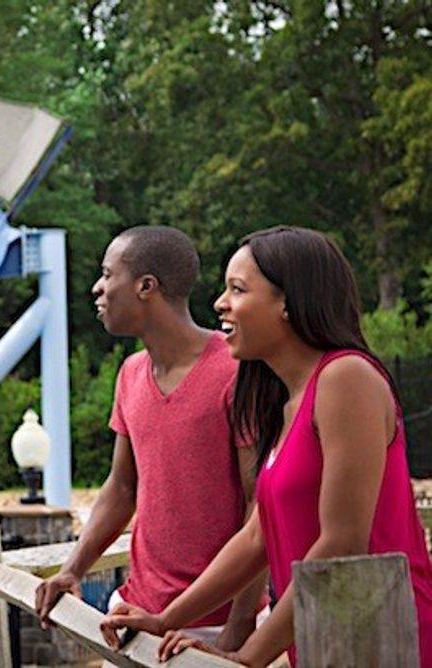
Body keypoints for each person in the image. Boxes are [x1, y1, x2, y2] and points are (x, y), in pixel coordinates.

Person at [100, 226, 432, 667]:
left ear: (288, 304)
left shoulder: (345, 378)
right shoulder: (288, 400)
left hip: (385, 640)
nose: (219, 303)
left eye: (237, 289)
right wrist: (166, 618)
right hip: (326, 638)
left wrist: (247, 656)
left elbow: (342, 542)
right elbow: (257, 535)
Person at [35, 226, 266, 656]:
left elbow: (260, 506)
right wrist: (72, 570)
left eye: (108, 275)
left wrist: (240, 629)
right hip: (131, 617)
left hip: (211, 629)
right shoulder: (130, 374)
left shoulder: (237, 373)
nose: (97, 288)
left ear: (146, 286)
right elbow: (122, 488)